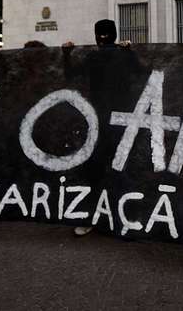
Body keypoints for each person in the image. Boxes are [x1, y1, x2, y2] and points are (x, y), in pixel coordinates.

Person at [67, 19, 130, 237]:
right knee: (115, 170)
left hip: (102, 121)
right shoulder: (113, 55)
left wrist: (66, 53)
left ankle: (102, 219)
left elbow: (71, 74)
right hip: (114, 122)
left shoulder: (97, 56)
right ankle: (119, 221)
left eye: (103, 34)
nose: (101, 38)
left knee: (99, 171)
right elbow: (142, 71)